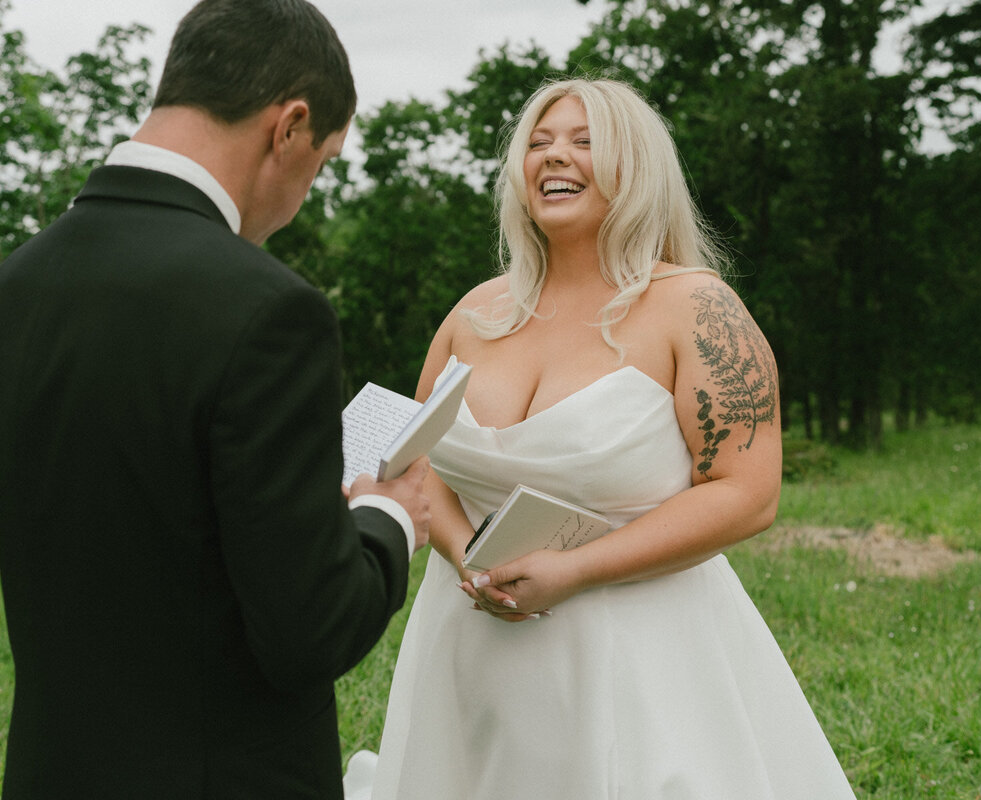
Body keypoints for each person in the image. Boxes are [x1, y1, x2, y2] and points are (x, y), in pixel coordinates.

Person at [0, 2, 430, 798]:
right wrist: (388, 518)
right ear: (290, 126)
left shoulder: (12, 287)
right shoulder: (268, 310)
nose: (305, 195)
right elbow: (310, 633)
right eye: (323, 163)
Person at [346, 78, 856, 799]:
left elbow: (748, 493)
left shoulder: (697, 308)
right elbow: (418, 463)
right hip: (466, 640)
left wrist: (577, 570)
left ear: (637, 170)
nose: (556, 156)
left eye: (585, 142)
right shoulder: (473, 314)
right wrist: (472, 561)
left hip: (636, 658)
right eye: (540, 143)